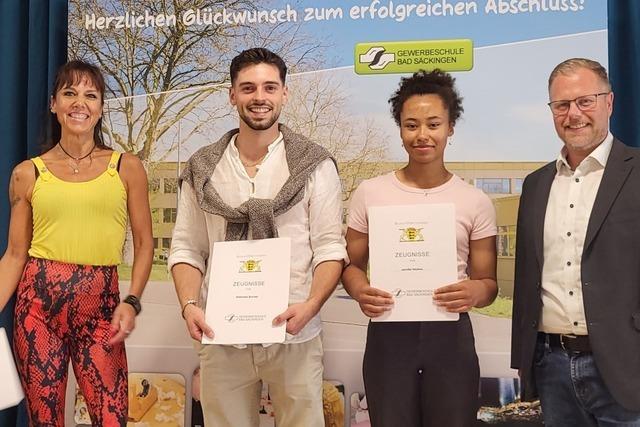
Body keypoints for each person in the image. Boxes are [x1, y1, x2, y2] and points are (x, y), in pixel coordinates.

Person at [169, 47, 346, 427]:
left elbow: (330, 247)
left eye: (269, 87)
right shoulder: (202, 168)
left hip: (295, 332)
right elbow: (187, 248)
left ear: (285, 93)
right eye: (248, 88)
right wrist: (188, 305)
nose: (259, 97)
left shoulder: (315, 164)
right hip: (221, 332)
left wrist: (312, 304)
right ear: (232, 95)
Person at [0, 60, 153, 426]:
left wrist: (132, 301)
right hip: (37, 309)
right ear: (54, 104)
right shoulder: (27, 173)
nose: (79, 103)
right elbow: (15, 255)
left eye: (90, 95)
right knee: (44, 421)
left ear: (100, 107)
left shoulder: (126, 167)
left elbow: (145, 243)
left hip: (101, 306)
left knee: (112, 419)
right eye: (69, 93)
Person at [342, 69, 498, 426]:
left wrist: (474, 291)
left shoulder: (474, 200)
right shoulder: (370, 192)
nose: (422, 135)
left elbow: (488, 283)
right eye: (411, 125)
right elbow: (351, 266)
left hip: (450, 337)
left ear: (450, 127)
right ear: (400, 129)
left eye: (434, 124)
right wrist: (361, 290)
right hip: (388, 334)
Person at [511, 58, 640, 426]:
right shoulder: (535, 185)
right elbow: (526, 277)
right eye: (562, 104)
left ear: (609, 102)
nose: (573, 114)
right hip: (552, 368)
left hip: (627, 366)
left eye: (585, 101)